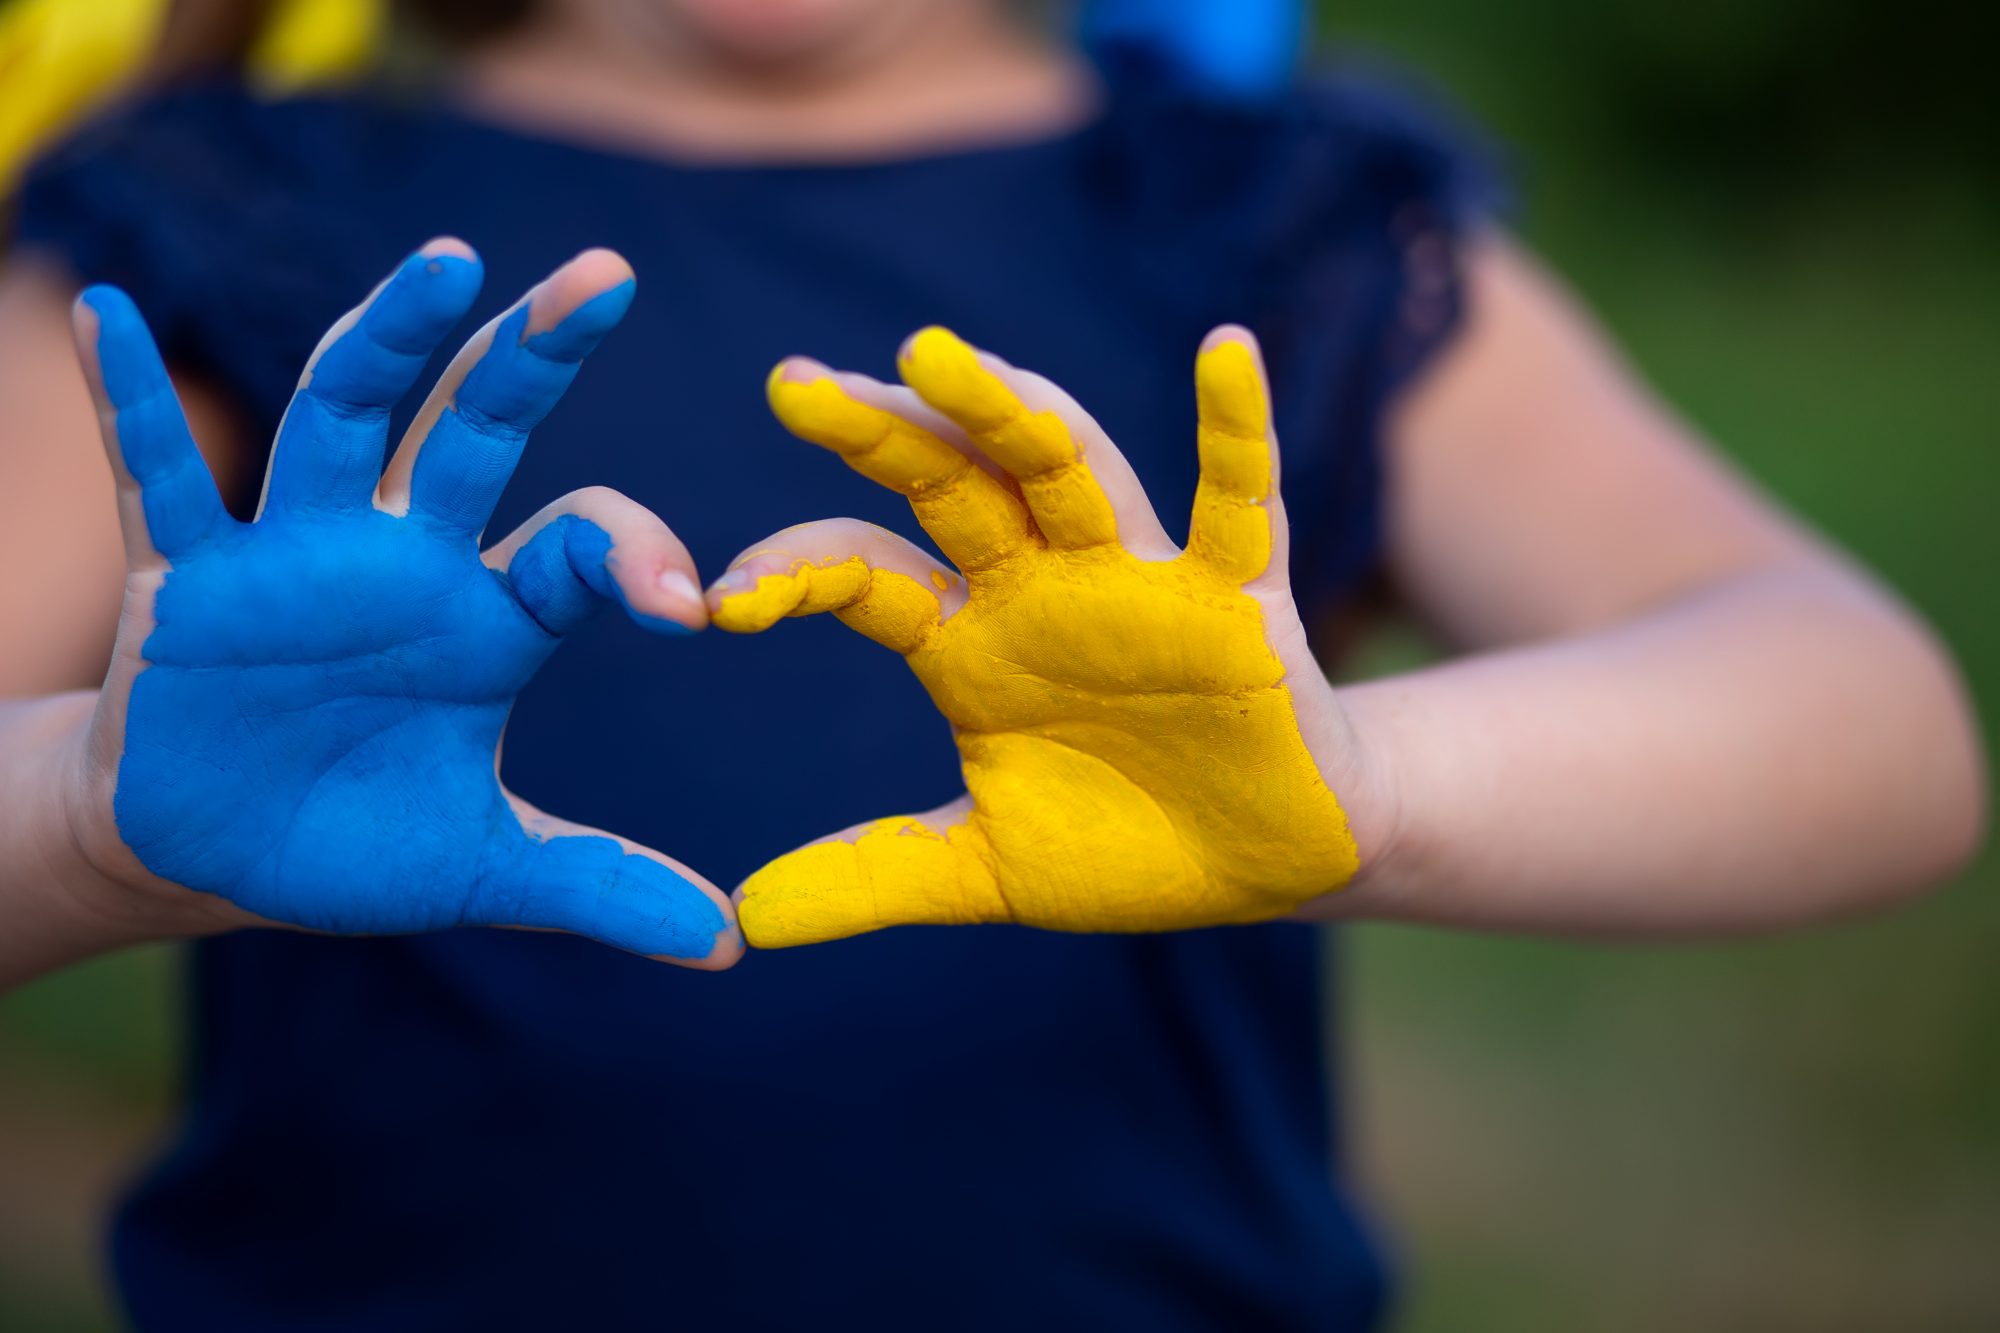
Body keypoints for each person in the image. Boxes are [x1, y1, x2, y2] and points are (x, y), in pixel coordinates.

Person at [0, 0, 1984, 1327]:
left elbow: (1871, 725)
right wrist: (99, 823)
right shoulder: (219, 218)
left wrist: (1361, 791)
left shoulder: (1256, 220)